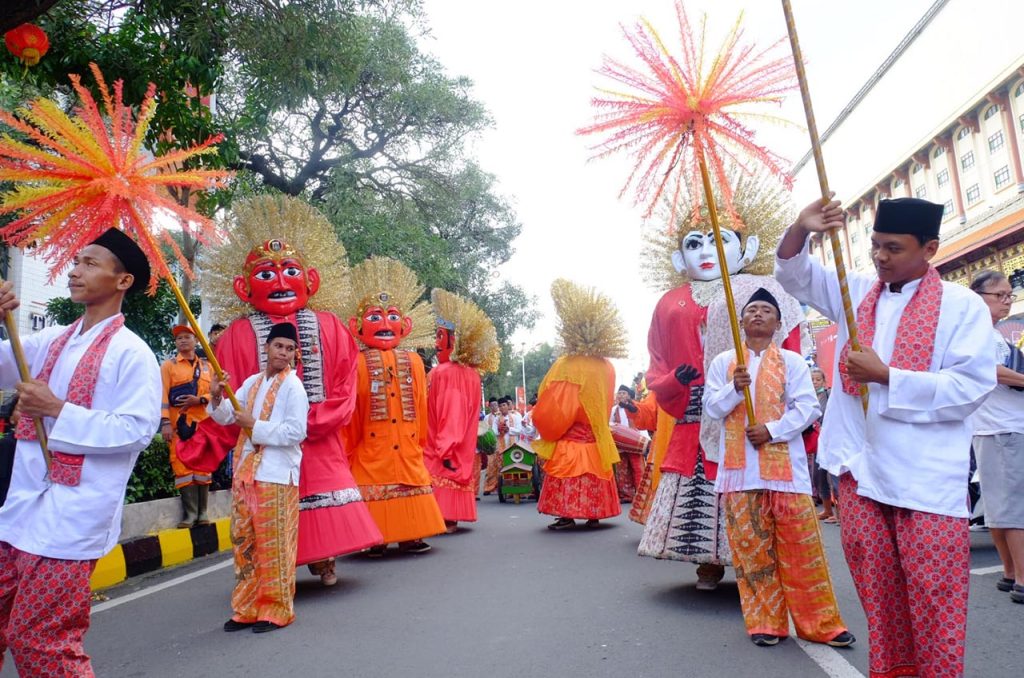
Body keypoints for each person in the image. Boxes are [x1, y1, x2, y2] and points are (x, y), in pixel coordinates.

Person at [775, 196, 996, 678]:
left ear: (930, 248)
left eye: (893, 248)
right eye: (875, 245)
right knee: (880, 600)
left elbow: (971, 387)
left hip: (926, 482)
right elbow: (794, 276)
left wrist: (888, 376)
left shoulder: (962, 306)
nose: (879, 257)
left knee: (935, 601)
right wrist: (800, 227)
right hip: (860, 473)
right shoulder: (857, 291)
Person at [178, 196, 382, 587]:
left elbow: (345, 388)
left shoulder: (331, 327)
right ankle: (276, 568)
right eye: (266, 275)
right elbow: (231, 402)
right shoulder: (237, 335)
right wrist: (205, 436)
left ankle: (324, 559)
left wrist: (311, 423)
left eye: (291, 271)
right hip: (262, 448)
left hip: (318, 441)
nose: (282, 282)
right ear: (242, 287)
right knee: (267, 507)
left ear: (312, 281)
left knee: (323, 499)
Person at [0, 228, 161, 675]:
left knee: (40, 643)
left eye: (90, 263)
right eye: (76, 261)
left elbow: (137, 430)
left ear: (123, 280)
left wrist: (57, 410)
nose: (75, 271)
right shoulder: (52, 339)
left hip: (71, 523)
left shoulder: (134, 353)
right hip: (18, 512)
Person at [636, 186, 804, 591]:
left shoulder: (762, 293)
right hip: (696, 409)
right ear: (679, 258)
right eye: (694, 243)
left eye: (719, 239)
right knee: (701, 486)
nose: (705, 251)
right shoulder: (669, 302)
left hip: (756, 405)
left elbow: (789, 343)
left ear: (746, 250)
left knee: (752, 481)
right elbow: (656, 360)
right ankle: (707, 564)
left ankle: (759, 562)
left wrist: (780, 388)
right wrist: (673, 381)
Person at [704, 288, 854, 648]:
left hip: (787, 474)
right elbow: (712, 407)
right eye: (751, 310)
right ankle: (765, 623)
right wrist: (734, 389)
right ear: (741, 322)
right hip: (740, 475)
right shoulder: (724, 362)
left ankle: (821, 624)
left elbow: (808, 408)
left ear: (778, 322)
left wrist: (770, 430)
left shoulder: (793, 361)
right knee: (752, 550)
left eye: (766, 310)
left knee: (802, 550)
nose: (758, 315)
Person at [342, 257, 446, 555]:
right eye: (375, 318)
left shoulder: (414, 361)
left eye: (392, 317)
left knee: (410, 480)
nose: (386, 324)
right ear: (356, 325)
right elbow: (354, 407)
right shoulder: (357, 362)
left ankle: (412, 534)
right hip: (371, 445)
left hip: (408, 440)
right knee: (374, 482)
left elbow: (421, 403)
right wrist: (349, 445)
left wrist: (422, 439)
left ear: (406, 325)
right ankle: (377, 537)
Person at [210, 323, 308, 633]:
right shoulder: (252, 383)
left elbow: (297, 432)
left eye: (289, 348)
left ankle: (277, 610)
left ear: (295, 354)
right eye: (279, 346)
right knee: (244, 543)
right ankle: (246, 609)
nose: (283, 353)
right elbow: (228, 417)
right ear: (266, 348)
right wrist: (215, 397)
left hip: (277, 475)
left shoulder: (294, 387)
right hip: (245, 473)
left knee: (274, 545)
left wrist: (255, 426)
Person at [533, 279, 625, 529]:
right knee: (593, 474)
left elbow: (558, 408)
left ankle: (567, 514)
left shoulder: (569, 364)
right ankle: (594, 513)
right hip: (596, 440)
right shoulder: (606, 366)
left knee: (570, 475)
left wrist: (547, 427)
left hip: (571, 441)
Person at [424, 289, 500, 532]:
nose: (436, 343)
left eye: (440, 336)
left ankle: (444, 517)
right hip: (459, 446)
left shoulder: (446, 373)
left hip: (443, 447)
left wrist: (444, 446)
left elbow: (451, 415)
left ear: (454, 341)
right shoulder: (471, 374)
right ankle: (449, 516)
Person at [969, 270, 1024, 603]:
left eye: (1009, 296)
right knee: (1014, 506)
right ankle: (1021, 577)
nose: (1006, 301)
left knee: (1002, 505)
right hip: (1002, 426)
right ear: (978, 296)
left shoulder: (989, 333)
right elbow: (989, 371)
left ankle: (1008, 571)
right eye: (999, 295)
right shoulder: (978, 335)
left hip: (996, 427)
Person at [160, 324, 214, 527]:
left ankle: (203, 513)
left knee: (203, 467)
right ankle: (190, 514)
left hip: (203, 426)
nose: (182, 340)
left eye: (186, 337)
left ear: (196, 341)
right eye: (178, 338)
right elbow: (162, 396)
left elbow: (219, 393)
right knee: (181, 467)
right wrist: (165, 422)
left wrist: (200, 400)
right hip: (178, 427)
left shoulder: (208, 366)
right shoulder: (168, 366)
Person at [609, 385, 646, 502]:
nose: (621, 395)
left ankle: (641, 494)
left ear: (629, 396)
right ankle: (626, 495)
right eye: (619, 393)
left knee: (638, 468)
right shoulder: (613, 410)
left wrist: (644, 439)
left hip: (634, 442)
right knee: (622, 469)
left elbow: (641, 421)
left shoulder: (634, 406)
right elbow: (611, 425)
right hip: (620, 443)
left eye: (624, 393)